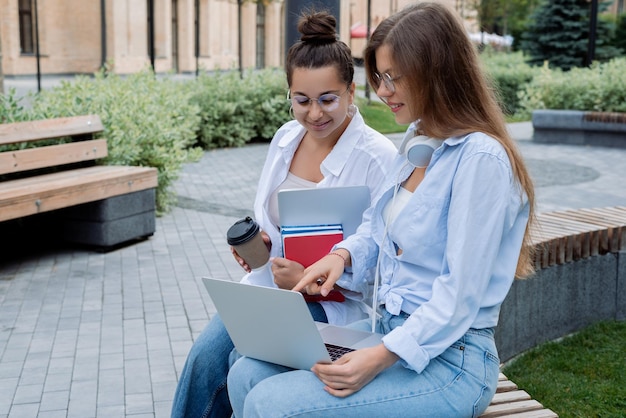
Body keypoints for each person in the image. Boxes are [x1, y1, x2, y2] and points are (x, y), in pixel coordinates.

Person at [226, 3, 536, 417]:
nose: (383, 91)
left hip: (452, 361)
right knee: (246, 373)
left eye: (393, 78)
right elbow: (378, 224)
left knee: (270, 403)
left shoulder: (481, 159)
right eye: (379, 78)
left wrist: (380, 357)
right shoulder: (418, 138)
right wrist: (341, 256)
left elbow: (460, 295)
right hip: (388, 330)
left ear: (436, 71)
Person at [170, 10, 398, 418]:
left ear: (351, 92)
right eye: (302, 100)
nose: (315, 114)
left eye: (328, 100)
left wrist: (317, 280)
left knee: (242, 365)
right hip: (269, 289)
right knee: (204, 358)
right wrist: (261, 244)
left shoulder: (379, 159)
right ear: (289, 94)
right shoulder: (286, 138)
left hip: (335, 305)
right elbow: (272, 220)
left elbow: (387, 255)